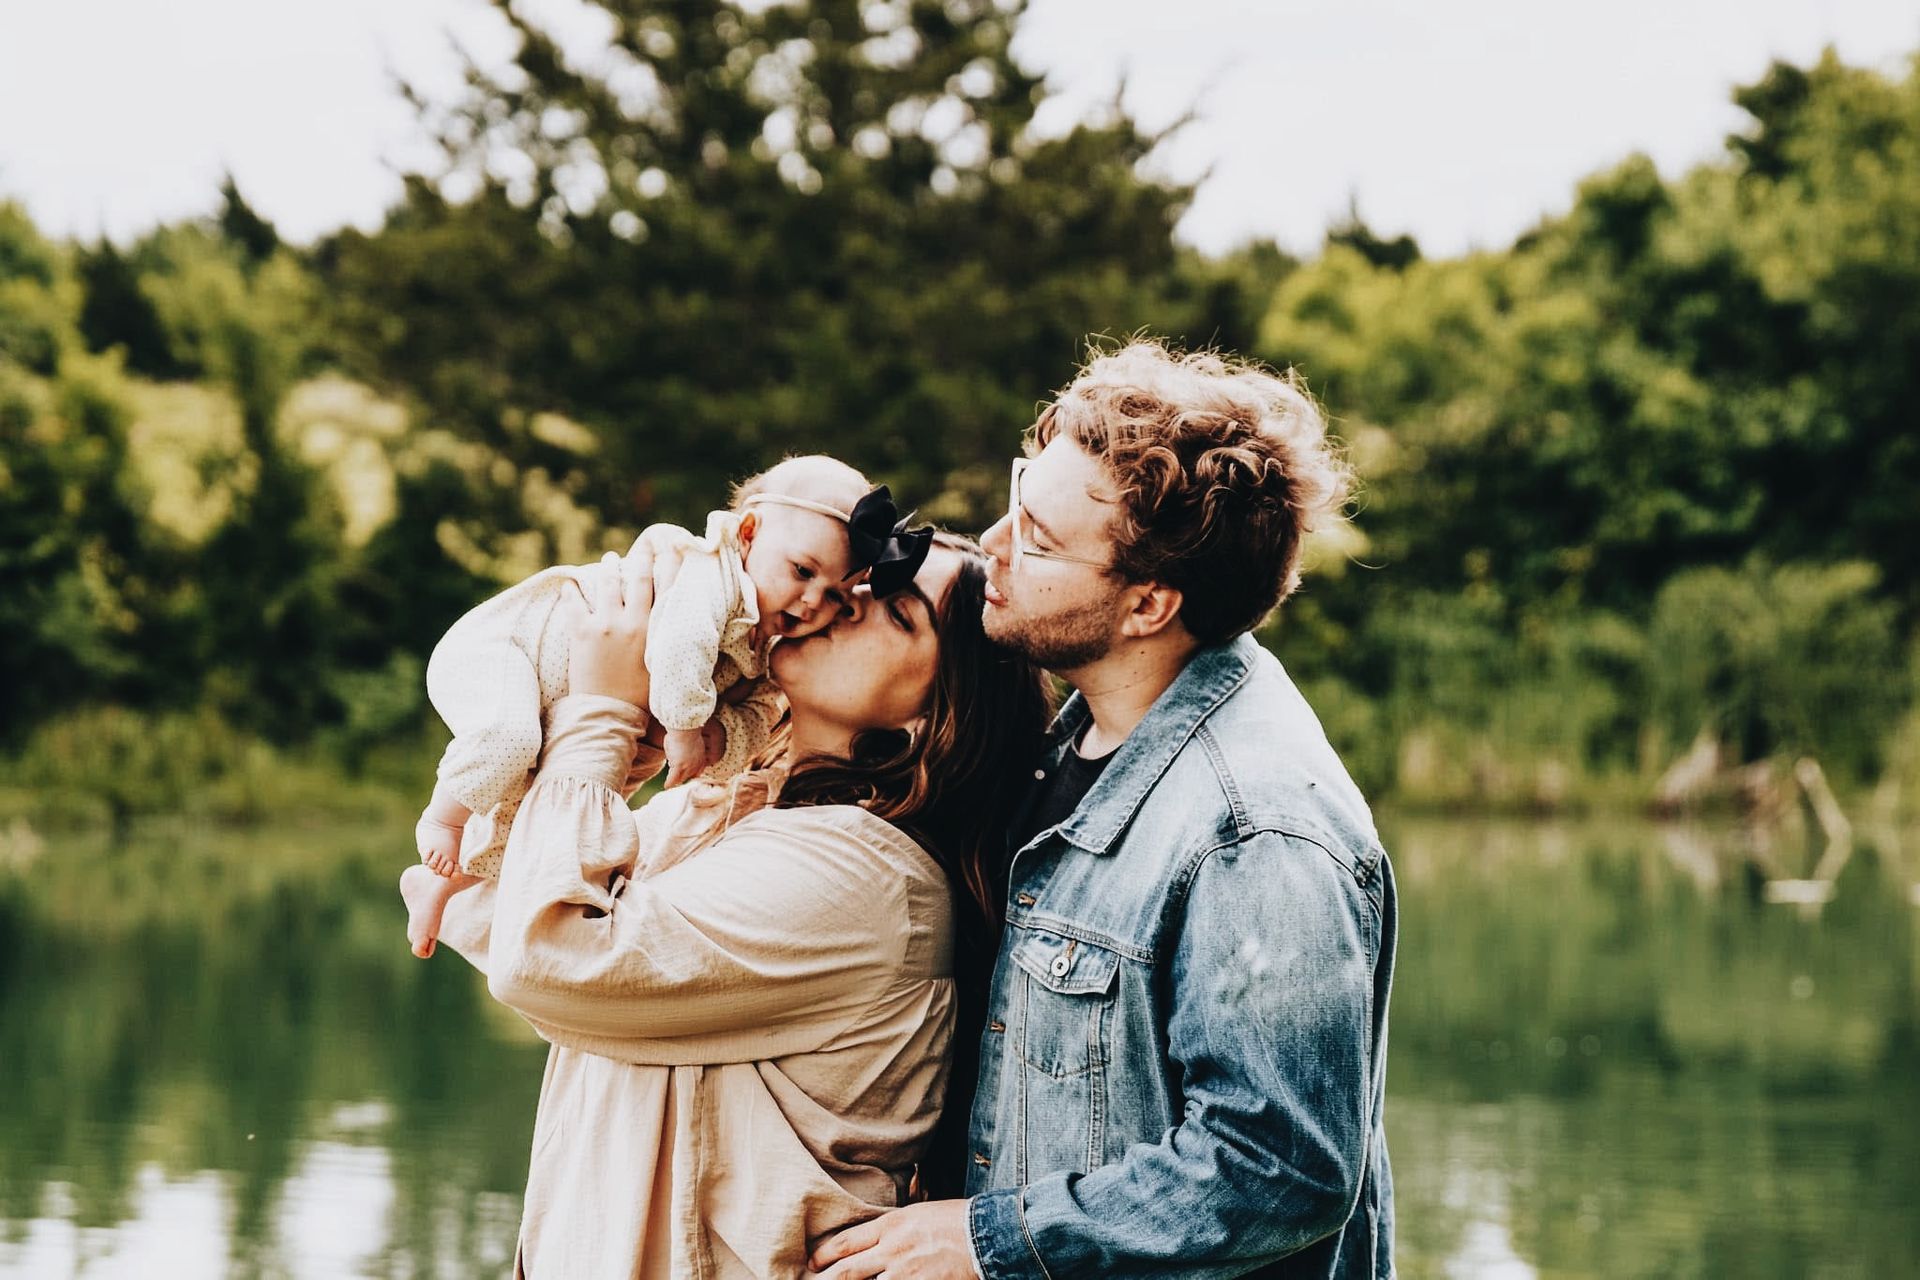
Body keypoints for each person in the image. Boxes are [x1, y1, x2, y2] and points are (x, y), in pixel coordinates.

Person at [810, 341, 1398, 1279]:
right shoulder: (1082, 733)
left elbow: (1281, 1167)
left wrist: (987, 1240)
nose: (991, 546)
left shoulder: (1259, 833)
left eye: (1038, 540)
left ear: (1149, 604)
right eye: (1017, 496)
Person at [401, 529, 1054, 1278]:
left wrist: (603, 711)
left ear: (937, 713)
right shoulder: (731, 806)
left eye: (898, 611)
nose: (849, 599)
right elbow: (484, 896)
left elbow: (548, 955)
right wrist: (630, 725)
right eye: (863, 578)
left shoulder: (865, 876)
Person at [404, 453, 929, 959]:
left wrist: (717, 743)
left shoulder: (764, 647)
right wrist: (683, 728)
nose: (815, 601)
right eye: (801, 571)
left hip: (585, 707)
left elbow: (756, 721)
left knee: (540, 819)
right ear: (747, 534)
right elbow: (679, 646)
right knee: (508, 739)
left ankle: (447, 886)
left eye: (838, 595)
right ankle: (444, 819)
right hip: (512, 649)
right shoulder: (708, 572)